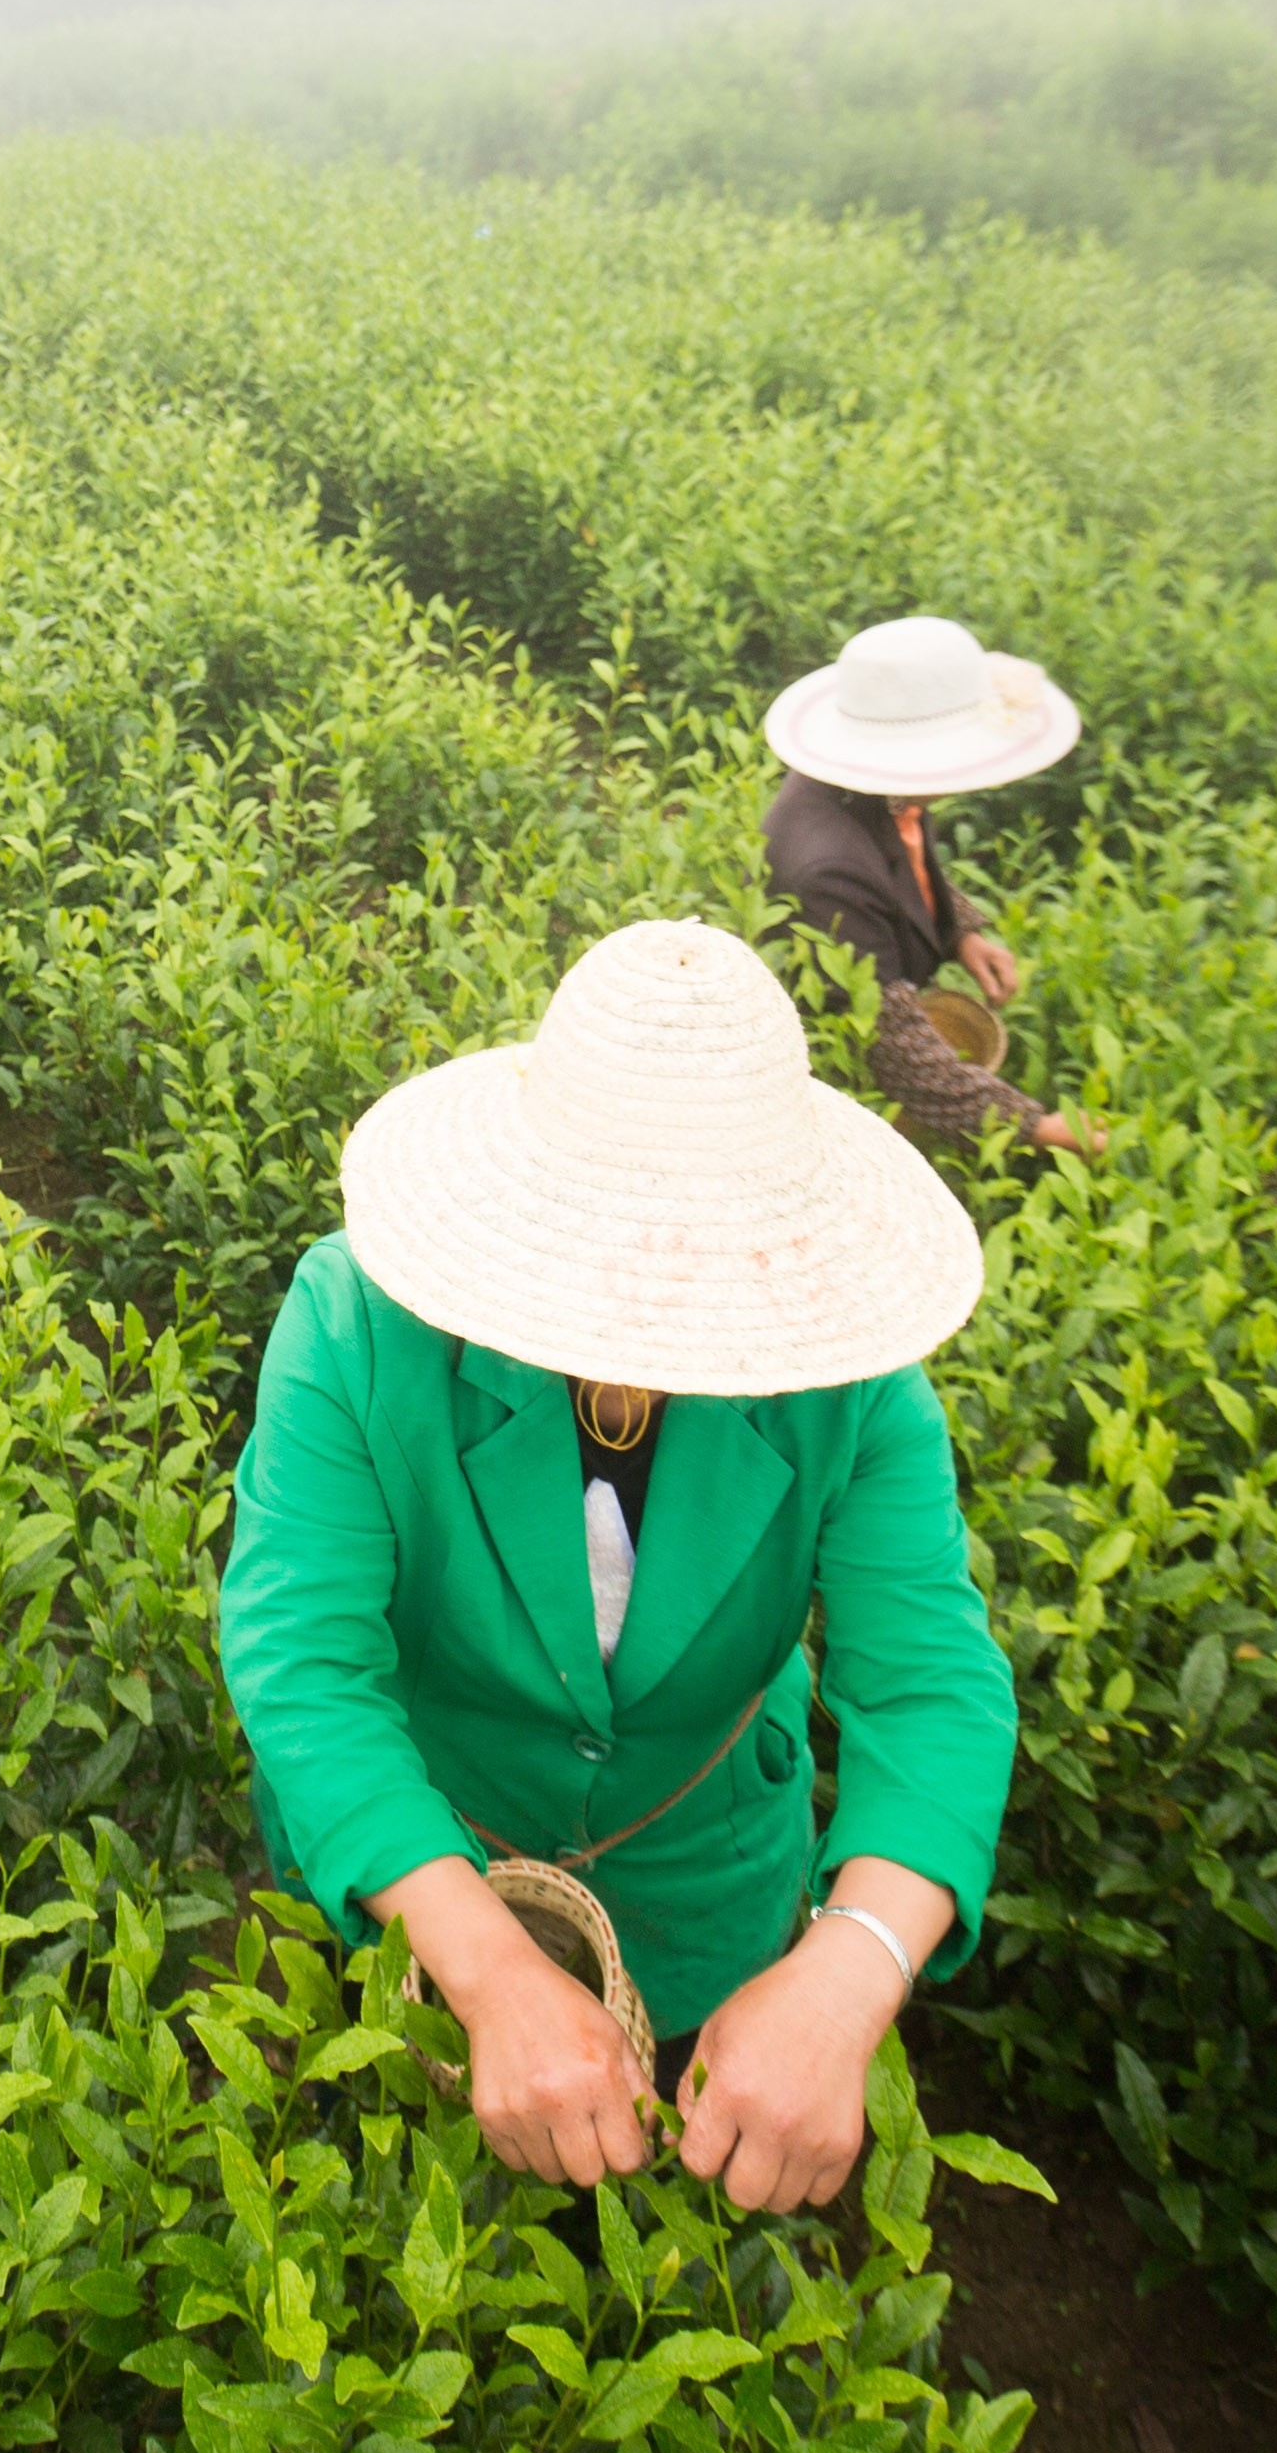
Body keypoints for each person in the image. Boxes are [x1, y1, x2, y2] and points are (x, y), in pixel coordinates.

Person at [215, 917, 1016, 2213]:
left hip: (707, 1875)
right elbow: (304, 1664)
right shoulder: (358, 1323)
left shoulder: (853, 1382)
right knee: (403, 2197)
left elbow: (927, 1682)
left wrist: (847, 1970)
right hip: (428, 1835)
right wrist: (480, 1963)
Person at [763, 617, 1097, 1161]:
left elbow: (900, 864)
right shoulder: (827, 869)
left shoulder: (880, 786)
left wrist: (959, 931)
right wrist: (1035, 1129)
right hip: (829, 1068)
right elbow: (888, 1043)